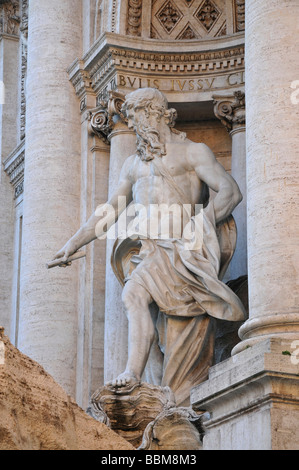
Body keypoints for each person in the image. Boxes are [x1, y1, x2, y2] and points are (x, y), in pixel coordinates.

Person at [53, 88, 246, 406]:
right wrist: (72, 243)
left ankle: (173, 396)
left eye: (138, 117)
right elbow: (110, 210)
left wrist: (200, 224)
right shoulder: (132, 164)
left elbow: (229, 191)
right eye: (129, 119)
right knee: (133, 296)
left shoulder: (192, 152)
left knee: (180, 336)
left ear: (157, 114)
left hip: (184, 250)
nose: (134, 125)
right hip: (148, 248)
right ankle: (133, 373)